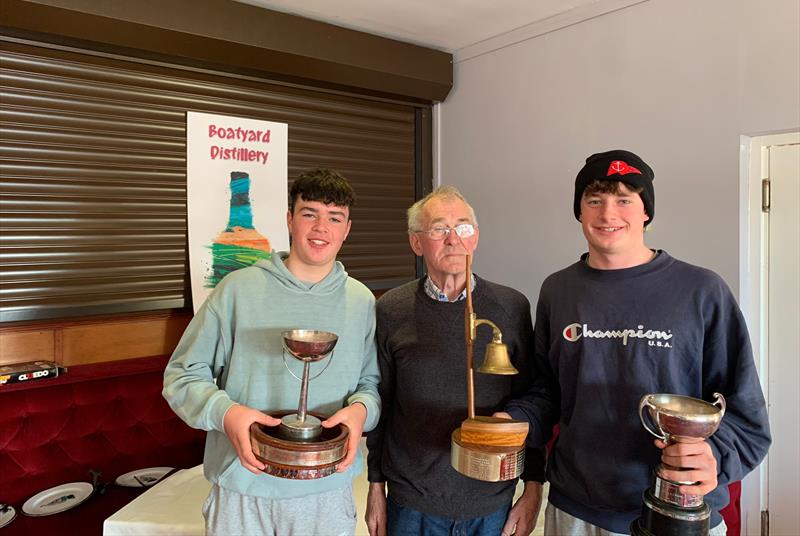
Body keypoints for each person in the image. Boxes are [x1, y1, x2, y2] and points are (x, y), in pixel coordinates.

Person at [499, 150, 771, 536]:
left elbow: (747, 417)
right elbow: (547, 393)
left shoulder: (701, 290)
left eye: (625, 200)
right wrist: (511, 422)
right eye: (594, 200)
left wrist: (714, 456)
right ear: (580, 212)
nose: (608, 214)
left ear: (646, 212)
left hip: (679, 513)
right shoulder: (559, 290)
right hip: (575, 509)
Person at [163, 168, 380, 536]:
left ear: (347, 228)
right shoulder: (236, 291)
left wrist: (360, 412)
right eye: (309, 213)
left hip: (326, 492)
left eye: (334, 218)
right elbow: (182, 376)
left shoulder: (362, 301)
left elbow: (370, 383)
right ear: (289, 220)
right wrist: (227, 413)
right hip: (244, 489)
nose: (321, 228)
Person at [366, 185, 546, 536]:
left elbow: (535, 397)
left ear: (475, 237)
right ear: (417, 243)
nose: (452, 239)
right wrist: (375, 487)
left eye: (462, 227)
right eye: (438, 229)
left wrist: (534, 487)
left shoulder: (511, 308)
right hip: (412, 500)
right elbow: (382, 402)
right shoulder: (392, 309)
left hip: (490, 500)